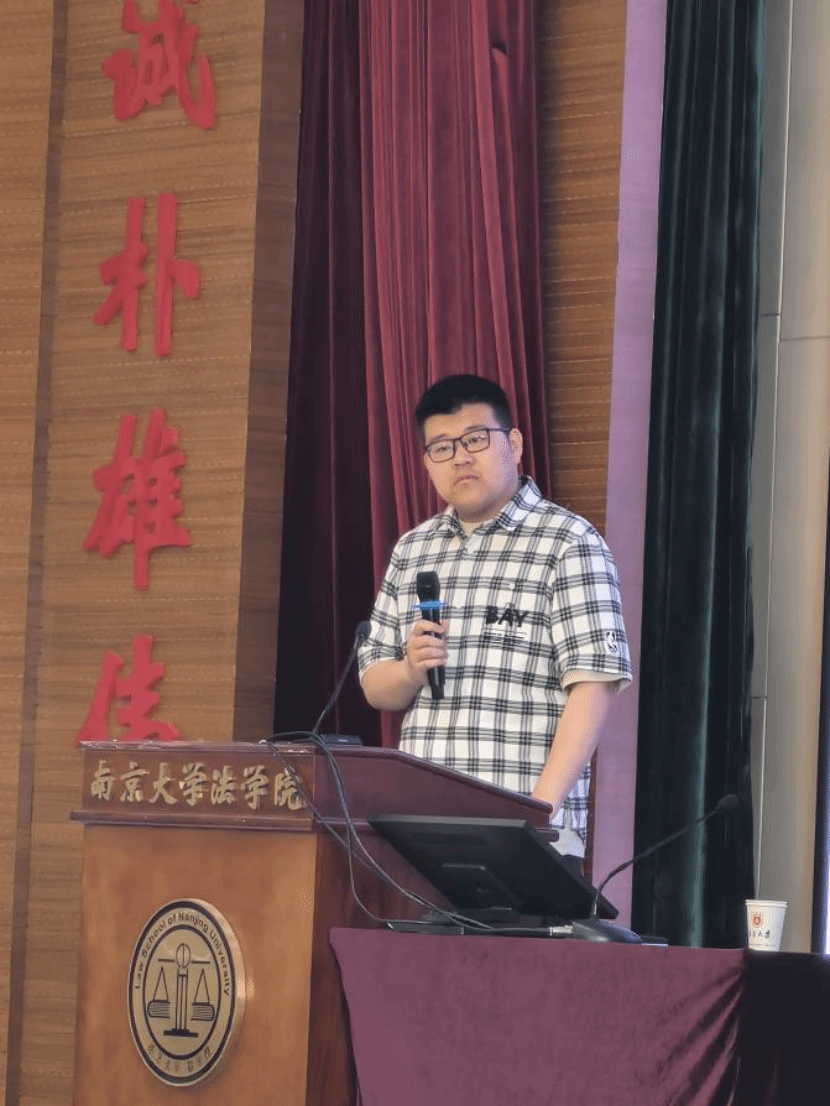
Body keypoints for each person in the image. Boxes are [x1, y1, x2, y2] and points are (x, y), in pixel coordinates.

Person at [357, 375, 631, 857]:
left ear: (515, 444)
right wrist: (410, 669)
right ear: (426, 463)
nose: (460, 457)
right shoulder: (413, 549)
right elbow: (376, 686)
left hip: (524, 829)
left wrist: (539, 812)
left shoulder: (568, 542)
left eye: (476, 439)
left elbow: (594, 685)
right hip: (421, 828)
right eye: (442, 447)